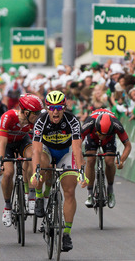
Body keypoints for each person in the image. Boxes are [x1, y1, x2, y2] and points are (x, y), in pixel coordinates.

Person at [30, 90, 87, 252]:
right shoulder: (40, 121)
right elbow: (36, 151)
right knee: (42, 166)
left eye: (59, 107)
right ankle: (40, 197)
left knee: (69, 191)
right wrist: (35, 172)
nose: (55, 111)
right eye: (52, 107)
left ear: (64, 107)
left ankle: (67, 234)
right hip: (47, 151)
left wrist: (81, 171)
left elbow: (77, 148)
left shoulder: (72, 120)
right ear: (47, 108)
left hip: (66, 152)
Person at [0, 94, 43, 226]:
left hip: (23, 142)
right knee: (8, 173)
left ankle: (31, 195)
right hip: (8, 146)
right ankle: (7, 207)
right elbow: (2, 144)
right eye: (36, 113)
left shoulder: (34, 122)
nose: (38, 116)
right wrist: (0, 163)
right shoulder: (8, 117)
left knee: (32, 157)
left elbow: (37, 146)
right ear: (26, 112)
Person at [81, 109, 132, 208]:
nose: (102, 137)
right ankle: (90, 194)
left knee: (109, 162)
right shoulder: (89, 123)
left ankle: (110, 190)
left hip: (110, 139)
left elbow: (128, 146)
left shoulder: (117, 125)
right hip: (92, 137)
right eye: (100, 134)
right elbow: (77, 143)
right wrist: (79, 158)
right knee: (90, 161)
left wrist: (121, 160)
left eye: (105, 135)